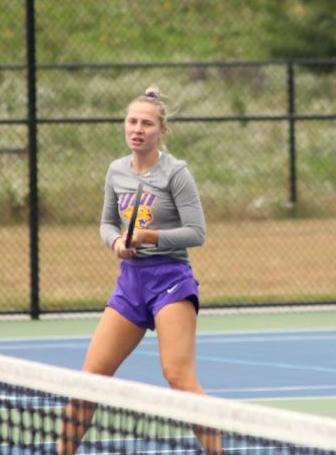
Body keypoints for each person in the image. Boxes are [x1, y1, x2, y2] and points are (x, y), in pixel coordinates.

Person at [58, 86, 219, 454]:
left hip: (170, 282)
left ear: (161, 130)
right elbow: (106, 224)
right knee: (90, 379)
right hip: (130, 285)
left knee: (178, 377)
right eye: (132, 121)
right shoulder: (116, 171)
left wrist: (149, 236)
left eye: (147, 123)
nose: (137, 129)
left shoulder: (176, 174)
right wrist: (116, 242)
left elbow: (196, 233)